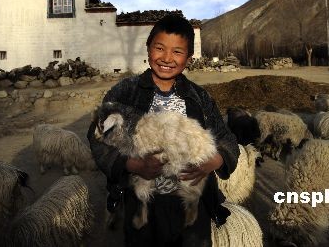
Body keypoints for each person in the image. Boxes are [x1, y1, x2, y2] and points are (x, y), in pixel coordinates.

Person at [87, 14, 239, 247]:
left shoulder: (199, 97)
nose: (167, 58)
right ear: (148, 49)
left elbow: (226, 138)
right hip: (142, 203)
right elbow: (97, 137)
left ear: (188, 57)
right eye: (159, 48)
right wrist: (132, 165)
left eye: (177, 52)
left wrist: (215, 160)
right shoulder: (126, 93)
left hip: (191, 205)